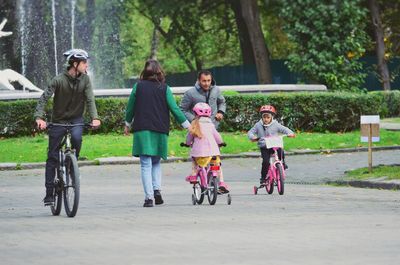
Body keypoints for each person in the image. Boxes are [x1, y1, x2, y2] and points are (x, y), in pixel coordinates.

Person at [35, 49, 101, 205]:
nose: (87, 65)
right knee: (52, 157)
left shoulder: (85, 80)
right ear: (75, 63)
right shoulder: (58, 80)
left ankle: (72, 165)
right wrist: (39, 117)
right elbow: (44, 99)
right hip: (58, 121)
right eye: (84, 62)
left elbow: (90, 99)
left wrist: (95, 118)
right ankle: (49, 193)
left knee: (77, 138)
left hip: (76, 120)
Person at [124, 59, 190, 207]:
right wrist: (188, 125)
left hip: (142, 129)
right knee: (155, 162)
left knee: (145, 164)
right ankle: (157, 190)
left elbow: (130, 108)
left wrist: (127, 124)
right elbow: (174, 109)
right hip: (160, 129)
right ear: (160, 71)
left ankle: (149, 198)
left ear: (145, 72)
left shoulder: (138, 87)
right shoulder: (165, 88)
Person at [185, 102, 229, 193]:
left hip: (200, 154)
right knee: (218, 167)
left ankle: (193, 176)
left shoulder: (193, 125)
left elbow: (189, 138)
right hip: (213, 153)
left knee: (195, 162)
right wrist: (221, 143)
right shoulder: (211, 125)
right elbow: (218, 137)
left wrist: (187, 143)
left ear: (195, 114)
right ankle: (221, 183)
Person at [247, 105, 295, 184]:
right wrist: (252, 137)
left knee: (280, 150)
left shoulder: (275, 124)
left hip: (274, 144)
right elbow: (250, 132)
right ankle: (263, 178)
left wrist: (290, 133)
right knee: (266, 162)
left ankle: (282, 163)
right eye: (264, 117)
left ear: (271, 117)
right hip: (264, 146)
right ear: (262, 117)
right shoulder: (258, 125)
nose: (266, 119)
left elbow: (284, 129)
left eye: (268, 117)